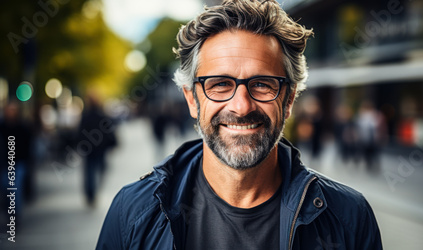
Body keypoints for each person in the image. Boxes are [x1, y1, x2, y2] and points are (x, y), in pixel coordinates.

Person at [97, 0, 382, 249]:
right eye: (220, 84)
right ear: (192, 100)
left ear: (289, 99)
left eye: (262, 84)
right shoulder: (132, 213)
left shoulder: (349, 218)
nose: (242, 106)